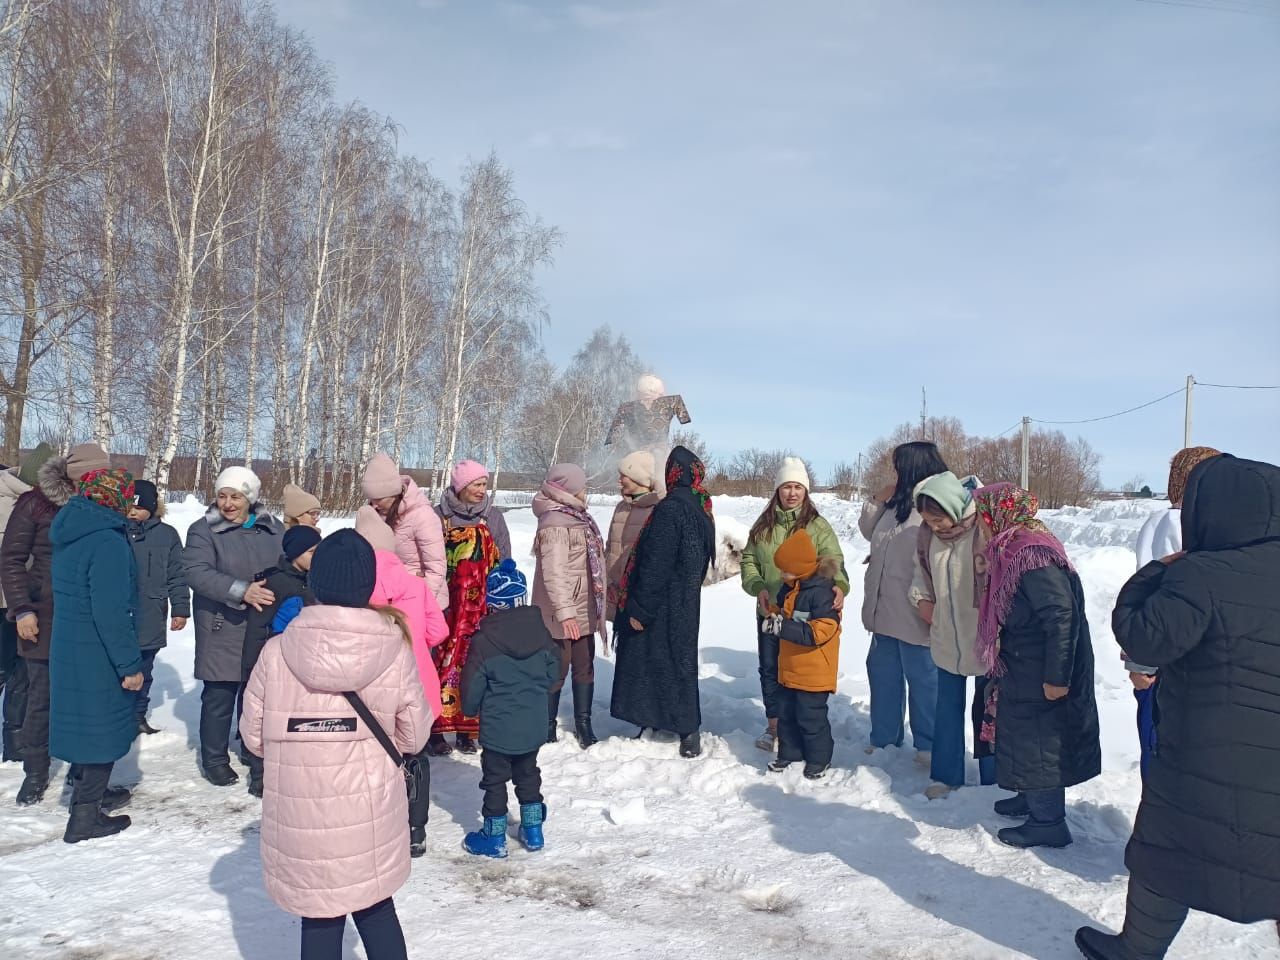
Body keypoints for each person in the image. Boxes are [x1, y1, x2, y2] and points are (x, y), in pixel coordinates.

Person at [1076, 454, 1280, 960]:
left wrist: (1155, 573)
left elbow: (1141, 632)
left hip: (1205, 751)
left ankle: (1136, 950)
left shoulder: (1201, 574)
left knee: (1167, 851)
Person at [240, 529, 431, 960]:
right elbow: (414, 735)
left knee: (319, 918)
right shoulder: (394, 650)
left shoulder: (277, 652)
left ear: (317, 583)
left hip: (300, 812)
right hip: (369, 812)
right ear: (367, 587)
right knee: (377, 909)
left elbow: (253, 737)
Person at [971, 482, 1101, 849]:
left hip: (1041, 668)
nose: (980, 522)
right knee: (1023, 735)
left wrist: (1057, 677)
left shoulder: (1031, 554)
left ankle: (1048, 821)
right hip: (1023, 663)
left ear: (998, 511)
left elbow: (1061, 615)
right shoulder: (1013, 547)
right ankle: (1030, 798)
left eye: (982, 513)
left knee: (1039, 739)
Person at [2, 442, 109, 804]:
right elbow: (12, 559)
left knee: (84, 700)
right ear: (72, 473)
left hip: (88, 620)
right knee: (41, 698)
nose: (95, 481)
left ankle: (85, 775)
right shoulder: (35, 503)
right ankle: (34, 772)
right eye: (89, 474)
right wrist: (22, 608)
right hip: (43, 616)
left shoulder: (103, 506)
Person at [48, 468, 144, 843]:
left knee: (82, 724)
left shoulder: (70, 532)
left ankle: (91, 792)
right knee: (102, 728)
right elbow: (110, 611)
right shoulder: (107, 542)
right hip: (98, 651)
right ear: (118, 498)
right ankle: (85, 817)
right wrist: (129, 664)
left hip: (69, 644)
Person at [610, 446, 716, 758]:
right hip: (685, 601)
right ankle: (667, 721)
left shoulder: (671, 509)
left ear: (672, 474)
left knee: (659, 663)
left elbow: (656, 564)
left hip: (663, 604)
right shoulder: (701, 505)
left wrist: (640, 608)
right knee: (676, 663)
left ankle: (686, 728)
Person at [355, 505, 449, 857]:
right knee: (416, 754)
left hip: (373, 684)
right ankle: (416, 829)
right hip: (418, 681)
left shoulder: (358, 588)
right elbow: (439, 632)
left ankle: (379, 826)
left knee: (376, 758)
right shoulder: (416, 584)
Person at [184, 466, 284, 787]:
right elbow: (197, 573)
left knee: (255, 691)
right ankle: (214, 758)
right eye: (222, 495)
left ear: (250, 499)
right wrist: (242, 590)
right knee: (220, 693)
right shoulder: (204, 530)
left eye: (236, 496)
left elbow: (286, 563)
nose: (227, 503)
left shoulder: (271, 528)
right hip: (222, 623)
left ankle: (250, 745)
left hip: (263, 625)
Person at [741, 457, 849, 753]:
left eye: (797, 487)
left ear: (805, 490)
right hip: (770, 609)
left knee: (796, 670)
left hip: (803, 612)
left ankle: (802, 726)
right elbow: (748, 559)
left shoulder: (817, 526)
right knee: (769, 667)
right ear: (777, 490)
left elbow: (833, 560)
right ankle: (774, 725)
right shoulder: (763, 526)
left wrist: (839, 585)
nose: (792, 493)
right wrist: (758, 586)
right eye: (786, 486)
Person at [1127, 446, 1220, 781]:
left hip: (1191, 663)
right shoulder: (1172, 524)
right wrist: (1142, 662)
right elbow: (1154, 597)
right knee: (1164, 753)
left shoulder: (1197, 522)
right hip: (1169, 662)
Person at [460, 562, 559, 858]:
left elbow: (472, 685)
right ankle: (533, 830)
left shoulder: (483, 641)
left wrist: (470, 709)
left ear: (493, 603)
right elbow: (555, 672)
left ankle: (494, 836)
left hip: (498, 728)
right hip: (533, 725)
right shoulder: (542, 634)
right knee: (528, 773)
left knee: (495, 780)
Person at [910, 471, 996, 799]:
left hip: (985, 638)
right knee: (946, 707)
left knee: (988, 710)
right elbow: (920, 574)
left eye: (939, 519)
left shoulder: (983, 529)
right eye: (929, 521)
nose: (936, 526)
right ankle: (946, 775)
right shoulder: (927, 537)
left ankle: (994, 776)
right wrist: (922, 600)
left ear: (953, 507)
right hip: (946, 636)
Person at [859, 441, 947, 761]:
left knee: (924, 682)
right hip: (883, 609)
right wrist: (876, 499)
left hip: (914, 612)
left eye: (899, 466)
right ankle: (884, 739)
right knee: (883, 678)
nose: (894, 472)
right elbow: (869, 532)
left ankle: (928, 745)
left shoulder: (935, 506)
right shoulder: (897, 503)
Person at [239, 525, 320, 798]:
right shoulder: (274, 583)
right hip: (274, 660)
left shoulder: (313, 579)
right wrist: (254, 666)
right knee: (266, 717)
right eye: (311, 551)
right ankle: (259, 776)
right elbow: (258, 626)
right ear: (296, 553)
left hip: (302, 662)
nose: (316, 555)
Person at [532, 463, 607, 750]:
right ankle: (547, 724)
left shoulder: (578, 517)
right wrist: (565, 613)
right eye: (582, 486)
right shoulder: (554, 523)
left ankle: (583, 723)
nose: (586, 491)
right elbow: (554, 572)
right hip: (561, 611)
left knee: (585, 666)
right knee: (557, 668)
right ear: (568, 488)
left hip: (584, 605)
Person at [761, 529, 841, 780]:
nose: (782, 575)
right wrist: (773, 613)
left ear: (802, 568)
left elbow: (820, 631)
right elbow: (787, 616)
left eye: (786, 570)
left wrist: (783, 627)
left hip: (813, 673)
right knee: (786, 715)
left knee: (811, 718)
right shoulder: (791, 589)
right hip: (790, 669)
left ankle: (819, 759)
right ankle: (789, 753)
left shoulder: (821, 593)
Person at [126, 479, 190, 736]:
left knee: (144, 670)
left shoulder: (167, 535)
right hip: (120, 613)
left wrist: (180, 609)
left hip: (152, 612)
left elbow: (177, 574)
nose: (133, 512)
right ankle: (117, 717)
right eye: (129, 506)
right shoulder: (115, 530)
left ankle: (138, 715)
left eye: (139, 507)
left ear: (152, 508)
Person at [0, 442, 51, 761]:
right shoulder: (22, 503)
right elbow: (17, 556)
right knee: (17, 672)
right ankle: (15, 741)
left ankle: (15, 740)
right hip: (14, 601)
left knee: (18, 672)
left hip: (17, 599)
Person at [361, 453, 448, 612]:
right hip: (392, 601)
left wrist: (420, 604)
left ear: (393, 493)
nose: (373, 505)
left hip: (422, 602)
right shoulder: (377, 515)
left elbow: (436, 567)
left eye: (378, 499)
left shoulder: (422, 516)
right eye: (370, 499)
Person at [605, 453, 664, 630]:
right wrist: (608, 582)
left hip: (639, 597)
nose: (619, 480)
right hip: (615, 593)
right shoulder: (621, 508)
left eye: (623, 475)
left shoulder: (658, 509)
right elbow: (609, 548)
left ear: (637, 477)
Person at [603, 374, 692, 464]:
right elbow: (613, 437)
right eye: (661, 394)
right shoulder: (672, 402)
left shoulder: (625, 408)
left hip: (641, 456)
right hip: (653, 456)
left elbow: (613, 437)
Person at [436, 459, 512, 561]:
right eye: (477, 485)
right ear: (461, 488)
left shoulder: (494, 516)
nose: (482, 490)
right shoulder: (437, 515)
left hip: (487, 576)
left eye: (484, 484)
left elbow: (504, 555)